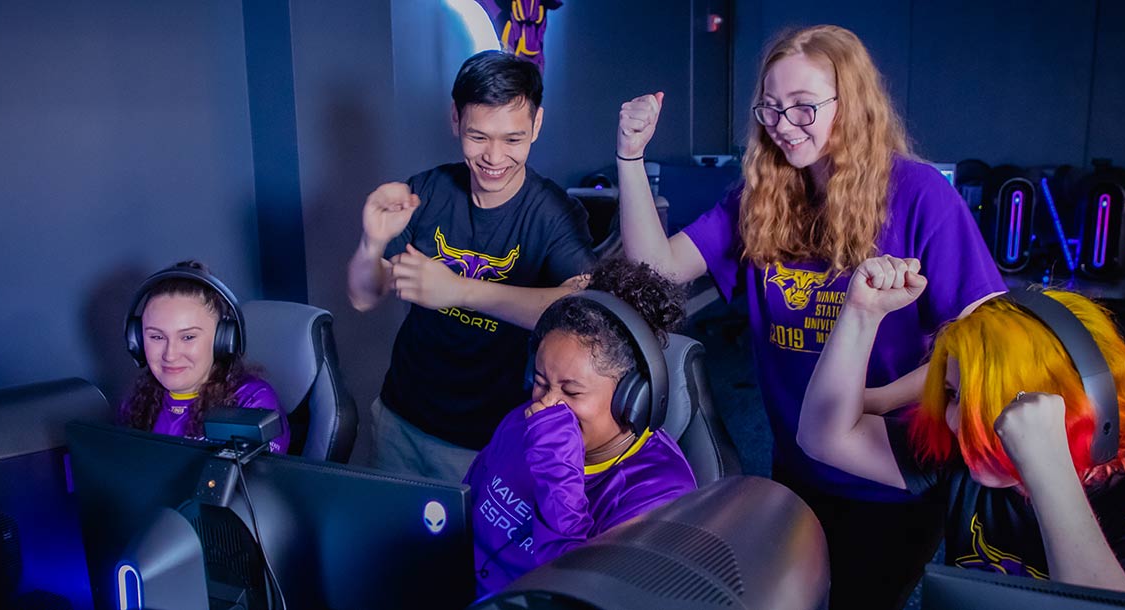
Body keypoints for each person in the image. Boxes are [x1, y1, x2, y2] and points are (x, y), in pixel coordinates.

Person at [614, 25, 1004, 607]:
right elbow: (656, 268)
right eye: (770, 108)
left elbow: (986, 351)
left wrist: (864, 403)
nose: (782, 124)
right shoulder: (762, 196)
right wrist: (630, 155)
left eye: (803, 107)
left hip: (887, 469)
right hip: (798, 464)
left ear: (853, 105)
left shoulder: (922, 196)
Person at [798, 254, 1125, 599]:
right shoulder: (964, 461)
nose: (959, 421)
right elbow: (821, 436)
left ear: (1076, 406)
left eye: (993, 402)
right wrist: (860, 315)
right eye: (956, 396)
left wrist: (1046, 471)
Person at [347, 50, 594, 482]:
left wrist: (459, 290)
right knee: (389, 547)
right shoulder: (428, 190)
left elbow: (584, 305)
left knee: (469, 551)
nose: (494, 158)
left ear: (536, 125)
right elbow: (364, 296)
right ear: (455, 120)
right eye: (478, 137)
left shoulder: (553, 212)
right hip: (401, 419)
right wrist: (372, 243)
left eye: (513, 139)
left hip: (491, 435)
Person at [464, 258, 697, 596]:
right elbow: (465, 510)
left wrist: (557, 473)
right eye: (541, 382)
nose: (545, 405)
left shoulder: (660, 494)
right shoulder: (520, 422)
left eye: (572, 391)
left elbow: (577, 596)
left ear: (633, 399)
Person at [119, 261, 289, 453]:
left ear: (222, 340)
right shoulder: (138, 403)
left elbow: (251, 481)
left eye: (188, 337)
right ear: (138, 341)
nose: (170, 354)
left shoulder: (253, 403)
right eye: (157, 337)